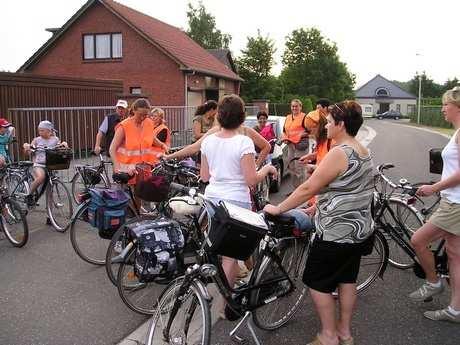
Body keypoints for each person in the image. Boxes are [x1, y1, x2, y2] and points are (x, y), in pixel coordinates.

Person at [264, 100, 374, 345]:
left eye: (331, 122)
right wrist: (318, 205)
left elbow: (308, 187)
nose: (327, 126)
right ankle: (345, 333)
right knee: (347, 280)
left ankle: (328, 335)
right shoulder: (363, 150)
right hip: (358, 231)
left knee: (317, 283)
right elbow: (349, 188)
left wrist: (279, 207)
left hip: (335, 233)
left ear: (341, 125)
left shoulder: (339, 152)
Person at [200, 94, 276, 306]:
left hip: (213, 199)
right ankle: (226, 304)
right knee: (230, 256)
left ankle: (216, 293)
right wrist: (268, 168)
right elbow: (251, 180)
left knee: (217, 247)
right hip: (236, 203)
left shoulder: (208, 141)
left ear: (219, 117)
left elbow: (205, 176)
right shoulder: (243, 142)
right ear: (242, 118)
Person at [409, 86, 460, 323]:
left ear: (457, 108)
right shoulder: (457, 132)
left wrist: (435, 188)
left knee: (418, 240)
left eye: (445, 105)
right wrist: (440, 183)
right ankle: (455, 310)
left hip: (455, 205)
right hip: (453, 200)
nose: (442, 109)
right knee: (454, 256)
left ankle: (433, 282)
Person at [164, 121, 271, 169]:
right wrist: (169, 156)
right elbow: (194, 147)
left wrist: (257, 165)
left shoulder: (247, 131)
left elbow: (266, 147)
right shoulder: (216, 130)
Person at [109, 98, 158, 177]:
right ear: (134, 111)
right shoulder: (124, 126)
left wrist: (162, 146)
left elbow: (151, 138)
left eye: (145, 115)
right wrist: (117, 167)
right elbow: (112, 148)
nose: (142, 118)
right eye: (140, 115)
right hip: (126, 172)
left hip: (144, 170)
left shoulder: (149, 123)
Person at [23, 121, 68, 207]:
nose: (40, 132)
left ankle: (49, 217)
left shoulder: (55, 139)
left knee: (49, 191)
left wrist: (64, 144)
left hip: (51, 165)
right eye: (39, 130)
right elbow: (28, 152)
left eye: (42, 130)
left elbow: (60, 148)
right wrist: (27, 147)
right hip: (39, 164)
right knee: (40, 177)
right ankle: (29, 194)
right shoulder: (37, 140)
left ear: (49, 131)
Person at [282, 99, 311, 190]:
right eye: (293, 106)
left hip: (300, 145)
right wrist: (285, 138)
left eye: (296, 106)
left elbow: (310, 131)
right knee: (291, 167)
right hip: (290, 145)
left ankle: (303, 190)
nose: (294, 108)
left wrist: (300, 135)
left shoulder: (305, 117)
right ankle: (296, 190)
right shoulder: (288, 117)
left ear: (300, 107)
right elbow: (284, 131)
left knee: (300, 168)